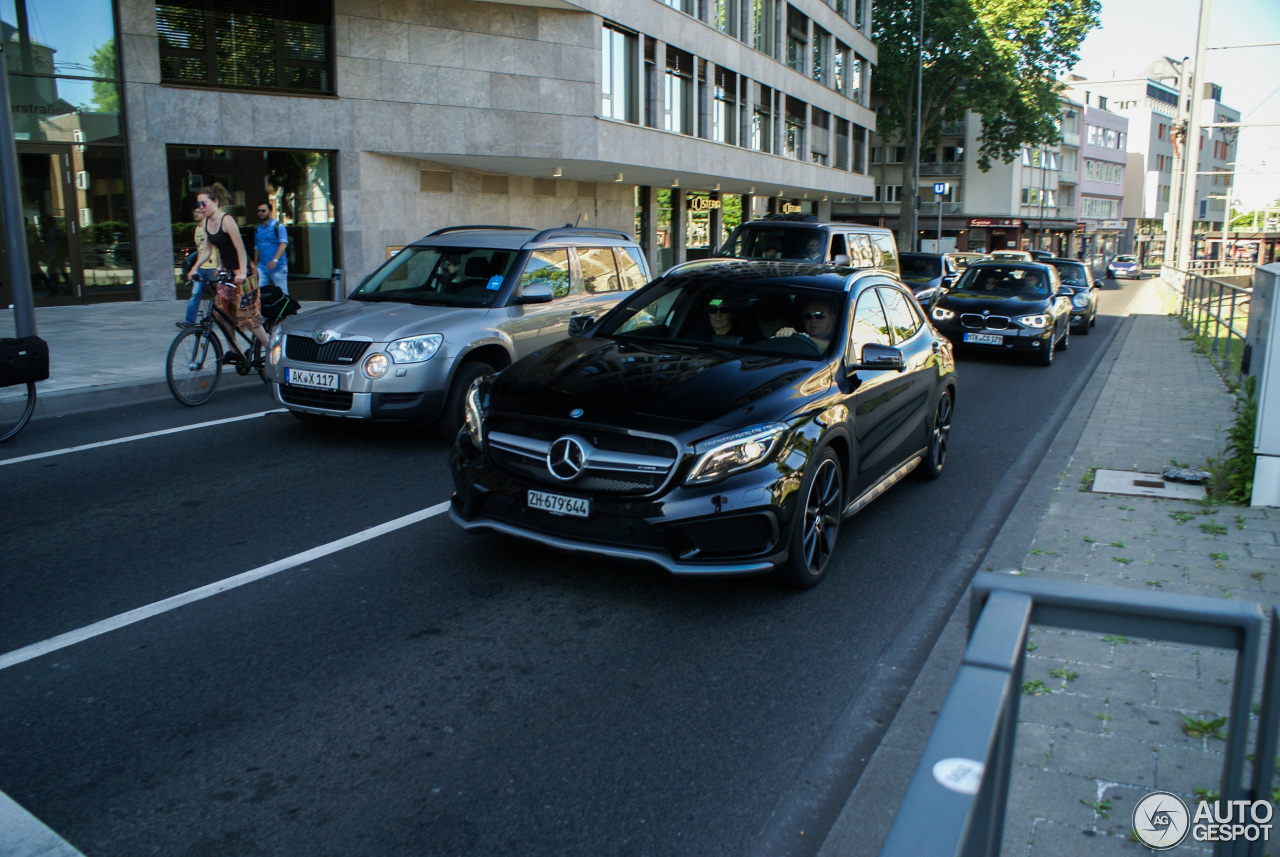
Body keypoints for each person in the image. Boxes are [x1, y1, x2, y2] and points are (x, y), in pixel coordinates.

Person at [188, 183, 269, 353]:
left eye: (204, 203)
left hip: (245, 270)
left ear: (215, 201)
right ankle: (233, 350)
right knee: (221, 311)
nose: (201, 207)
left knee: (247, 316)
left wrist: (241, 272)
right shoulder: (206, 223)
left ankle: (270, 349)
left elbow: (240, 247)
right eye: (198, 204)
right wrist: (195, 268)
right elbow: (207, 250)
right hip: (227, 270)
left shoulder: (226, 220)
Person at [179, 204, 220, 327]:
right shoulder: (197, 229)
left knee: (218, 296)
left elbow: (216, 248)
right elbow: (200, 250)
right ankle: (189, 321)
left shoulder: (209, 227)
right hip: (201, 268)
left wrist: (218, 266)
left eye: (198, 211)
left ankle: (220, 319)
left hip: (212, 267)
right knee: (196, 294)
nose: (195, 213)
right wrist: (195, 267)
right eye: (194, 211)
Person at [253, 201, 289, 295]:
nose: (260, 213)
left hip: (278, 266)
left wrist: (275, 260)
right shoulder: (258, 228)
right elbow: (257, 246)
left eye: (263, 211)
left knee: (282, 293)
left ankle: (286, 310)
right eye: (258, 211)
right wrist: (255, 264)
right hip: (262, 266)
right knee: (258, 293)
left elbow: (283, 243)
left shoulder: (278, 226)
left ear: (270, 212)